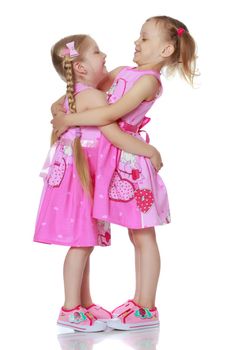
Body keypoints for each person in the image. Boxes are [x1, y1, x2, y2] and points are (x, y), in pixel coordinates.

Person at [52, 16, 197, 331]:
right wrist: (60, 109)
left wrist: (71, 119)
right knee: (134, 233)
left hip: (132, 162)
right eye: (139, 37)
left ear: (166, 50)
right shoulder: (124, 73)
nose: (136, 42)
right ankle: (133, 303)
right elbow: (83, 92)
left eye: (144, 39)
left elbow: (111, 114)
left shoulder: (148, 81)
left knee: (143, 234)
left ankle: (146, 306)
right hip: (114, 163)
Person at [34, 34, 163, 332]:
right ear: (80, 67)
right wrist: (149, 150)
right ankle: (70, 309)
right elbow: (113, 130)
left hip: (81, 174)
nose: (103, 54)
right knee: (81, 243)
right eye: (96, 52)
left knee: (84, 241)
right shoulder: (93, 97)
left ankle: (84, 303)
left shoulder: (83, 92)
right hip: (81, 177)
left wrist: (63, 115)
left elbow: (60, 107)